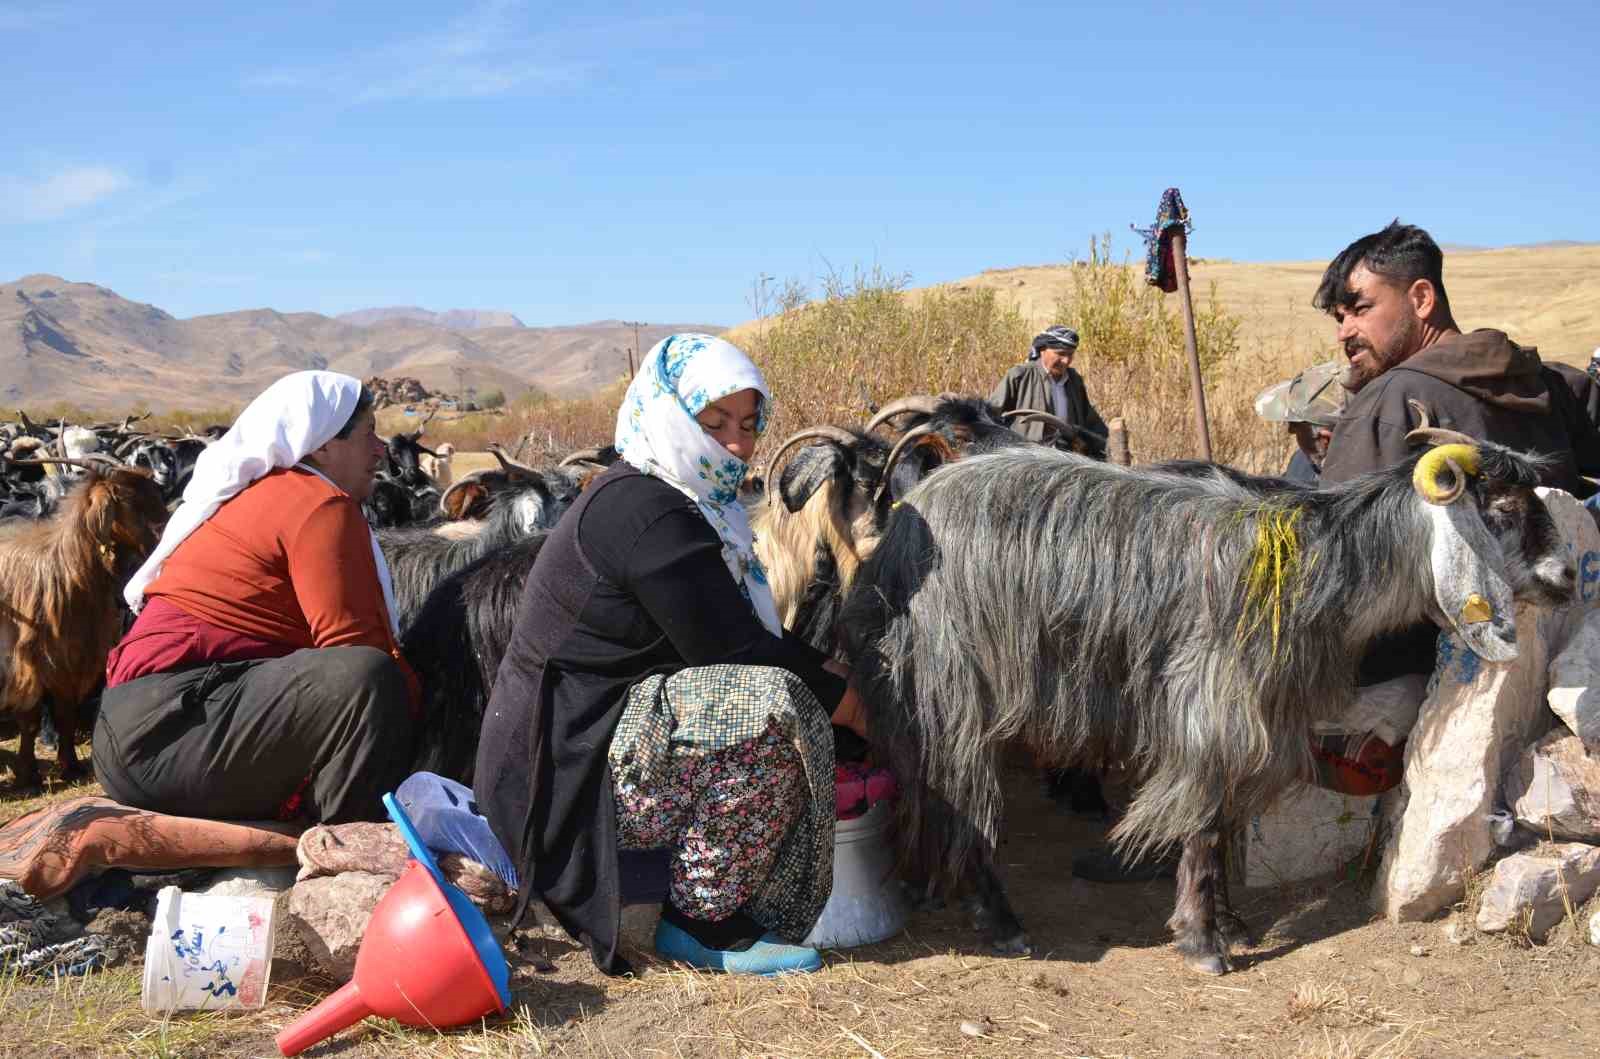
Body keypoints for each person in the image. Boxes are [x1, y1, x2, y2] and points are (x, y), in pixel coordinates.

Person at [475, 333, 867, 978]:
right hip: (560, 770)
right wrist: (852, 705)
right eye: (714, 422)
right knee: (767, 707)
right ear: (668, 413)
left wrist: (837, 674)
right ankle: (702, 919)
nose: (736, 444)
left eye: (748, 424)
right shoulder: (647, 510)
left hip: (593, 736)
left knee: (798, 689)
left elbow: (739, 625)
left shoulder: (686, 502)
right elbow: (736, 653)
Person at [93, 371, 419, 825]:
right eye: (369, 434)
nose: (380, 449)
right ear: (324, 443)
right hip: (169, 735)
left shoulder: (257, 494)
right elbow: (355, 646)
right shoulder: (318, 505)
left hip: (133, 732)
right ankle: (345, 839)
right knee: (368, 679)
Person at [1315, 221, 1591, 496]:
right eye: (1340, 318)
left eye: (1360, 309)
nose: (1343, 333)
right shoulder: (1560, 384)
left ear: (1422, 298)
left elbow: (1339, 523)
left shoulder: (1389, 402)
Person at [990, 325, 1109, 457]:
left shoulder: (1074, 380)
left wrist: (1108, 445)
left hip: (1068, 457)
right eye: (1060, 354)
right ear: (1042, 350)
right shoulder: (1020, 375)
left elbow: (1091, 421)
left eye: (1070, 355)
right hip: (1026, 457)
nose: (1066, 361)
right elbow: (990, 414)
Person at [1252, 360, 1345, 485]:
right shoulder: (1301, 462)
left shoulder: (1302, 463)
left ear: (1325, 441)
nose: (1290, 430)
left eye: (1294, 424)